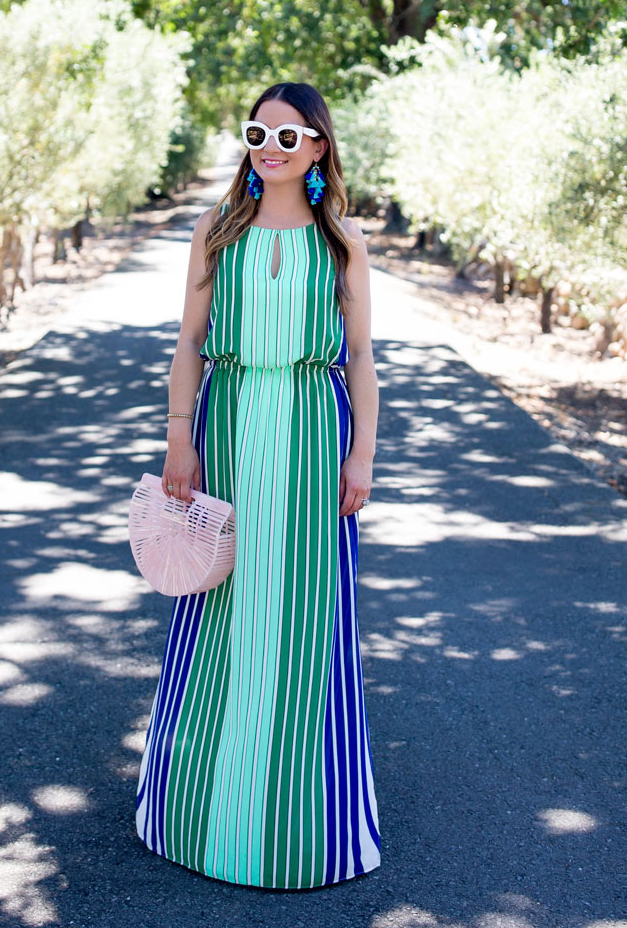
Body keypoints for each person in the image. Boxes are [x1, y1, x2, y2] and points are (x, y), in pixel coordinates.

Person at [135, 80, 382, 889]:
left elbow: (362, 362)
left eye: (287, 137)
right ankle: (202, 812)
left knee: (308, 616)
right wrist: (179, 439)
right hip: (229, 428)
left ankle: (303, 826)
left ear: (318, 147)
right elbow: (189, 345)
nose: (268, 149)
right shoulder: (218, 229)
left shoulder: (343, 243)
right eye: (256, 134)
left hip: (315, 437)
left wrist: (363, 456)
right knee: (222, 610)